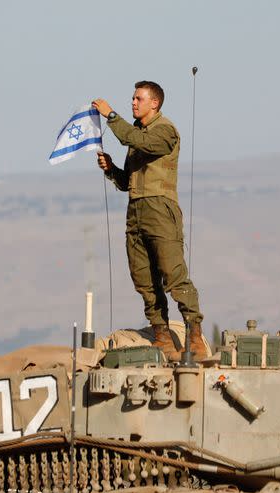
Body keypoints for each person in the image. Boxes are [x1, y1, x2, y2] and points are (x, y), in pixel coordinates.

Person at [92, 81, 205, 361]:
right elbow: (127, 181)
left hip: (160, 210)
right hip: (136, 210)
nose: (133, 102)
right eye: (132, 98)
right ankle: (162, 336)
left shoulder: (164, 131)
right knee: (144, 278)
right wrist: (112, 169)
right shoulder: (136, 136)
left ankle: (194, 335)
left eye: (138, 98)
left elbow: (140, 141)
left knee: (173, 273)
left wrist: (111, 116)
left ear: (154, 103)